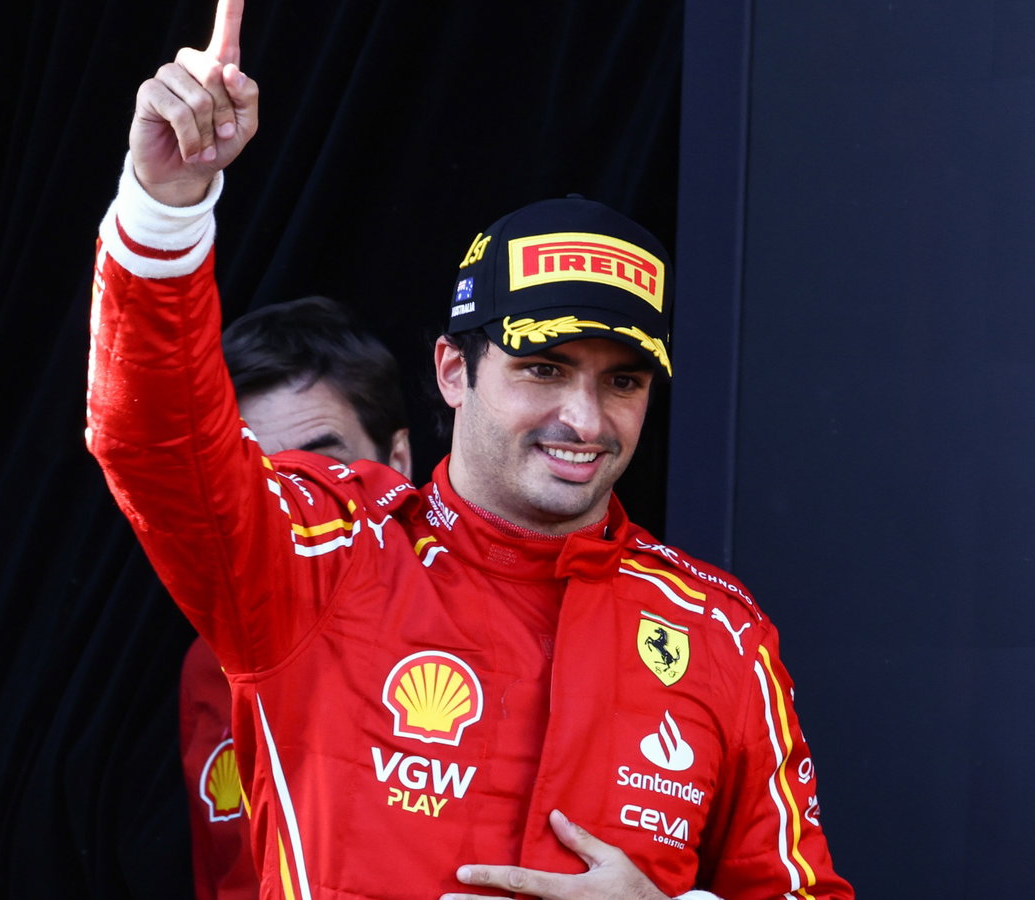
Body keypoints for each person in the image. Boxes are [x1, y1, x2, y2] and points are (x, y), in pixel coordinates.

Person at [86, 2, 853, 897]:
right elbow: (154, 441)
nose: (585, 419)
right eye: (543, 368)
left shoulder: (719, 631)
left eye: (623, 381)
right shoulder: (325, 560)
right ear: (454, 370)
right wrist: (165, 209)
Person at [180, 295, 412, 900]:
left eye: (320, 469)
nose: (290, 505)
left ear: (398, 461)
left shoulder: (486, 622)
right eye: (259, 476)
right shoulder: (209, 662)